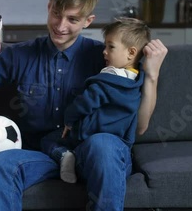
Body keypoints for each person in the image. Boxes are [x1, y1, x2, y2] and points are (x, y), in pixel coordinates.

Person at [0, 0, 167, 211]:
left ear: (88, 21)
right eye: (56, 14)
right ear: (49, 7)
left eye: (72, 19)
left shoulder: (106, 56)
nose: (60, 26)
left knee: (102, 145)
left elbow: (141, 127)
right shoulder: (19, 55)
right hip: (43, 154)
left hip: (95, 152)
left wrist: (152, 75)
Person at [40, 17, 151, 184]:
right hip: (119, 139)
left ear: (131, 53)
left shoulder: (107, 79)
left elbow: (84, 103)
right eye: (105, 45)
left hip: (87, 133)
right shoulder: (137, 82)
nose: (104, 51)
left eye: (111, 47)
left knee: (46, 140)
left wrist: (69, 121)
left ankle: (65, 156)